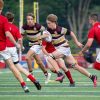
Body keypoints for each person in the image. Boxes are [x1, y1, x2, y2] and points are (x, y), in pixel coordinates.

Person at [45, 14, 97, 87]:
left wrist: (77, 42)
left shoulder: (60, 29)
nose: (48, 25)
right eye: (47, 23)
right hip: (62, 49)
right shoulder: (48, 30)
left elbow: (71, 33)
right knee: (75, 66)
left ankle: (60, 74)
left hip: (63, 48)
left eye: (49, 23)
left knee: (50, 57)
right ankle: (92, 77)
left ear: (54, 22)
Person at [5, 11, 41, 91]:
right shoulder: (15, 27)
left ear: (5, 19)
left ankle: (24, 85)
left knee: (12, 67)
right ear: (13, 19)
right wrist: (20, 47)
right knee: (19, 67)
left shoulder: (3, 26)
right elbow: (20, 39)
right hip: (13, 49)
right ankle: (34, 80)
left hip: (4, 49)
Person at [0, 0, 28, 93]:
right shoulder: (4, 20)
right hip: (3, 48)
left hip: (4, 48)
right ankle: (24, 85)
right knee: (13, 66)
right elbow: (8, 35)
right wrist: (17, 45)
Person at [21, 13, 51, 84]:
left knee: (27, 57)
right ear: (26, 20)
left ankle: (31, 74)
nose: (30, 21)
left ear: (33, 20)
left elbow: (47, 33)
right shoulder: (24, 27)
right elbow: (21, 36)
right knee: (39, 62)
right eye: (28, 19)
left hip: (37, 44)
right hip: (32, 45)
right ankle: (47, 74)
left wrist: (41, 37)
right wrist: (21, 44)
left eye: (31, 19)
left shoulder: (38, 26)